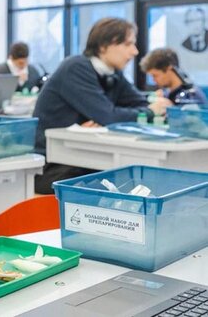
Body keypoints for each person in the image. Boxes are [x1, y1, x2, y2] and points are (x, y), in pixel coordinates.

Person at [32, 17, 171, 194]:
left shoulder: (113, 73)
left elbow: (138, 103)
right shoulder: (76, 67)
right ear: (105, 46)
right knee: (127, 183)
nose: (135, 51)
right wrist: (150, 111)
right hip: (54, 166)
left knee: (136, 179)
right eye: (128, 44)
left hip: (84, 157)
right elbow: (108, 116)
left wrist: (153, 105)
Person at [140, 48, 207, 105]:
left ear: (169, 69)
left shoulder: (191, 97)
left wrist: (170, 108)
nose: (154, 80)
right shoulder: (164, 94)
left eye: (155, 75)